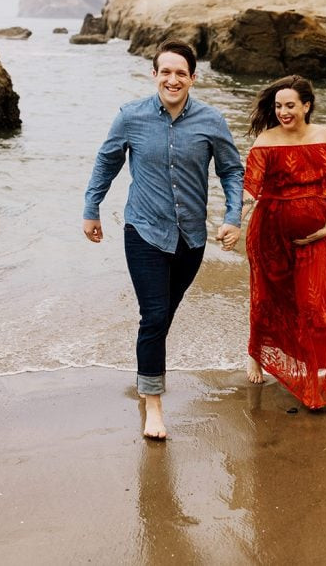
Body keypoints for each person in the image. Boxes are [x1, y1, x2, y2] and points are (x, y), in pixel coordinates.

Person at [83, 40, 244, 439]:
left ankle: (146, 369)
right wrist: (92, 208)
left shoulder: (211, 121)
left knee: (163, 316)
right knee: (154, 316)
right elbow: (107, 162)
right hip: (144, 231)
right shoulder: (130, 117)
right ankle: (153, 401)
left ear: (192, 77)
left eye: (181, 73)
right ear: (153, 75)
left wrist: (233, 217)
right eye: (165, 72)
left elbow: (232, 171)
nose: (173, 79)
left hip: (191, 237)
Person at [242, 75, 326, 409]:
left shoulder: (324, 136)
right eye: (278, 106)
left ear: (306, 105)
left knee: (316, 306)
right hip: (269, 235)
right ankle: (256, 356)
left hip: (315, 238)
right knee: (267, 299)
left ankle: (315, 371)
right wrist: (234, 219)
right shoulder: (265, 142)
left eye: (290, 105)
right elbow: (250, 189)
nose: (283, 112)